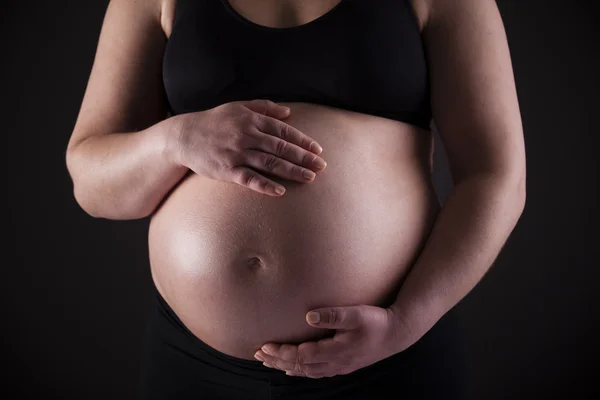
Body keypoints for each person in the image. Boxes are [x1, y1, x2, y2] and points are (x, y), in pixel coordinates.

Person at [65, 0, 526, 398]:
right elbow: (91, 182)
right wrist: (174, 141)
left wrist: (405, 323)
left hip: (389, 356)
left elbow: (495, 175)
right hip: (196, 367)